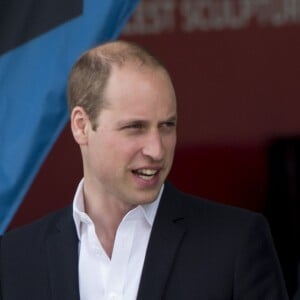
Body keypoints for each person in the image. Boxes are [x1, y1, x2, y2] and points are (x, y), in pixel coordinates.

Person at [0, 40, 289, 300]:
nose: (157, 150)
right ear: (81, 126)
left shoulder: (235, 243)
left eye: (167, 126)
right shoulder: (15, 257)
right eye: (134, 127)